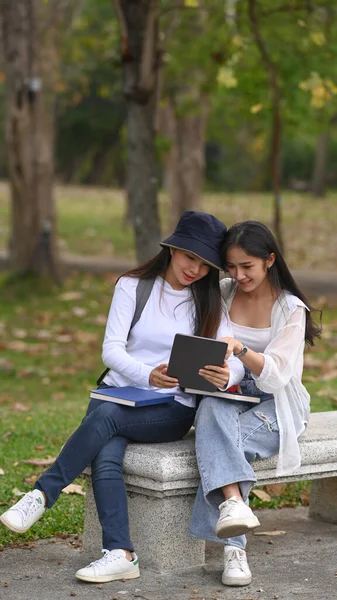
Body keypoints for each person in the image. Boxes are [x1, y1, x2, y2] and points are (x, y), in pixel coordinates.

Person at [0, 210, 244, 583]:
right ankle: (121, 553)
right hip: (121, 390)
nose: (195, 269)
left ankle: (42, 494)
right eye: (189, 257)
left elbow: (233, 358)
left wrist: (229, 374)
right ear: (172, 249)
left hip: (170, 407)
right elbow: (111, 350)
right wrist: (147, 373)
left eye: (205, 263)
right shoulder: (133, 286)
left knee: (103, 419)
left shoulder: (209, 302)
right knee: (107, 455)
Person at [189, 220, 321, 588]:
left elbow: (277, 376)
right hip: (230, 390)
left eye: (247, 266)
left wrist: (243, 350)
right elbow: (219, 350)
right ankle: (234, 505)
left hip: (279, 402)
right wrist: (226, 374)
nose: (238, 274)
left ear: (269, 260)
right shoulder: (224, 292)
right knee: (211, 411)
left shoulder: (291, 308)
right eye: (231, 266)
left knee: (223, 444)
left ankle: (234, 548)